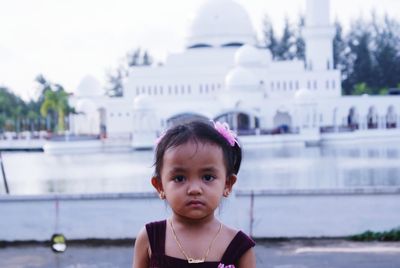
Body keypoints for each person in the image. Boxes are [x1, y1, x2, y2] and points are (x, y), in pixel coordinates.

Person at [133, 120, 256, 268]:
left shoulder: (239, 247)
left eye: (208, 177)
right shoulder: (150, 238)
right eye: (179, 178)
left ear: (227, 184)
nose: (195, 189)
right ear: (160, 186)